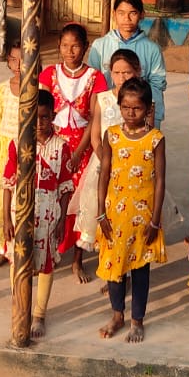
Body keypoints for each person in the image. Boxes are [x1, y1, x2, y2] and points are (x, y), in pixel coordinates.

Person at [96, 77, 166, 344]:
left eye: (137, 108)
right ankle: (117, 315)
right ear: (119, 106)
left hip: (144, 218)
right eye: (125, 107)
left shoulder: (156, 139)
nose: (131, 113)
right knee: (115, 268)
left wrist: (156, 220)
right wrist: (101, 213)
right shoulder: (111, 135)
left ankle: (137, 320)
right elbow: (104, 173)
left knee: (140, 270)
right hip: (114, 216)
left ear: (149, 109)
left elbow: (160, 180)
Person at [2, 88, 73, 340]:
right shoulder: (17, 143)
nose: (40, 123)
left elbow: (66, 188)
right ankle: (19, 305)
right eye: (34, 117)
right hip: (20, 212)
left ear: (53, 115)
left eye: (44, 117)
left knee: (45, 264)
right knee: (18, 259)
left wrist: (63, 219)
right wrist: (5, 217)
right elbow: (8, 182)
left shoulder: (61, 147)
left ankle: (39, 313)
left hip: (48, 213)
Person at [40, 23, 107, 283]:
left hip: (82, 144)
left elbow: (94, 117)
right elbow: (42, 111)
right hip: (52, 142)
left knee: (80, 201)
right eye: (65, 45)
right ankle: (48, 251)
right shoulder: (49, 74)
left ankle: (77, 260)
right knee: (50, 196)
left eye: (76, 45)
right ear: (58, 47)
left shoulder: (95, 77)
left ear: (85, 47)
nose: (70, 51)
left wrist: (80, 151)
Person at [75, 47, 142, 252]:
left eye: (127, 72)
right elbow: (95, 136)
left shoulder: (143, 99)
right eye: (116, 72)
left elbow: (146, 134)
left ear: (137, 72)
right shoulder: (103, 98)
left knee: (128, 214)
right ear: (110, 73)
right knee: (98, 207)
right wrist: (107, 161)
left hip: (133, 165)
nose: (121, 77)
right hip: (103, 163)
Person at [89, 0, 167, 128]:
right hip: (108, 112)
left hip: (139, 113)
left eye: (133, 13)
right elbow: (93, 83)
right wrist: (95, 112)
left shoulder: (152, 49)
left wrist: (151, 116)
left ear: (142, 14)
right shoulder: (100, 46)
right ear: (114, 15)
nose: (127, 18)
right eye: (121, 13)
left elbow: (157, 85)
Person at [0, 43, 22, 268]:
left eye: (23, 60)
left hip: (25, 149)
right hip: (3, 149)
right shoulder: (2, 88)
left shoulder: (38, 88)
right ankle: (4, 249)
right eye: (13, 59)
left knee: (22, 201)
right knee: (2, 198)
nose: (18, 65)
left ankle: (21, 249)